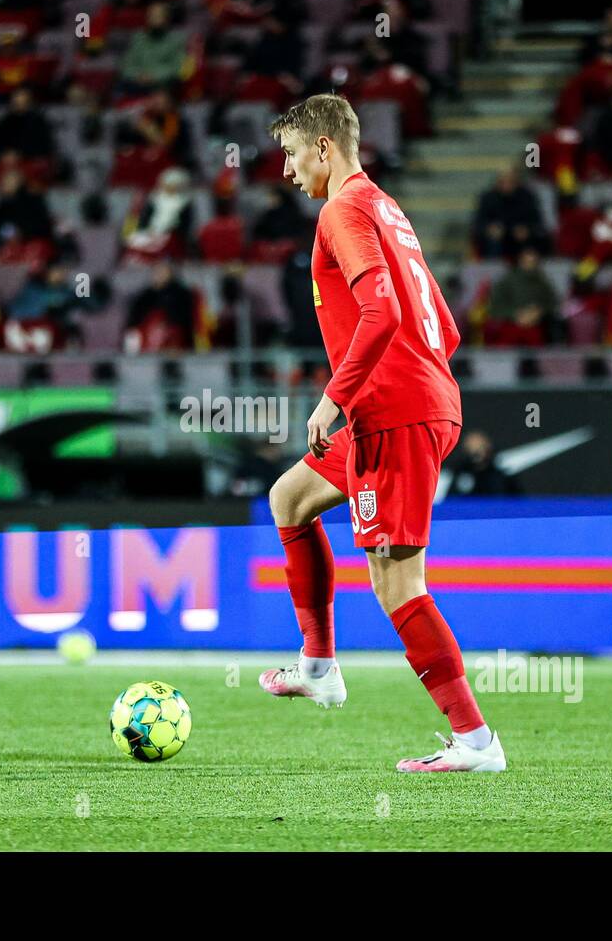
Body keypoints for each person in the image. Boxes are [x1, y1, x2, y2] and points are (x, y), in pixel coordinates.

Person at [262, 94, 505, 773]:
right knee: (290, 500)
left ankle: (477, 743)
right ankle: (318, 664)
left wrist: (335, 398)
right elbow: (442, 324)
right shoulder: (385, 208)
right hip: (405, 403)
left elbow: (383, 308)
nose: (285, 170)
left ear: (323, 149)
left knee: (398, 584)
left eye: (289, 153)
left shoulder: (342, 210)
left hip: (392, 413)